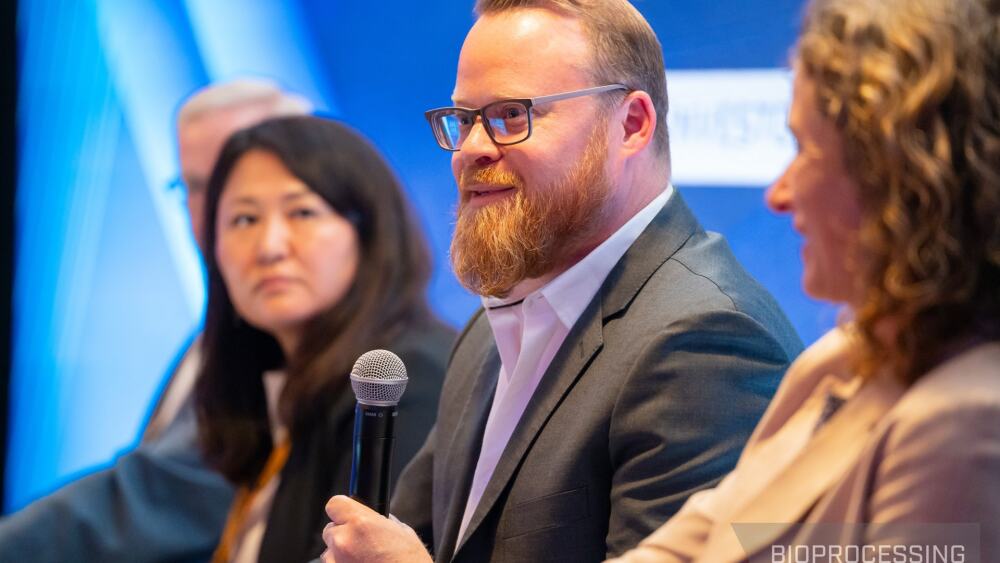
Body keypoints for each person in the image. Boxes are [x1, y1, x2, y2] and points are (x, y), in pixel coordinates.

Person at [321, 1, 803, 562]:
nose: (473, 148)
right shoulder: (489, 329)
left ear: (632, 125)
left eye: (511, 115)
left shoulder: (707, 344)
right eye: (463, 118)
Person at [607, 0, 1000, 560]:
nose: (779, 194)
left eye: (805, 151)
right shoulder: (844, 358)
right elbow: (711, 537)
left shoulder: (964, 424)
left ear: (900, 180)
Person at [0, 78, 313, 562]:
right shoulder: (219, 328)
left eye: (237, 182)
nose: (214, 212)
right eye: (196, 186)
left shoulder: (290, 331)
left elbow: (165, 494)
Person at [196, 115, 453, 562]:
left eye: (302, 212)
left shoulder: (404, 378)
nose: (270, 246)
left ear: (368, 232)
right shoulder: (276, 390)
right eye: (244, 219)